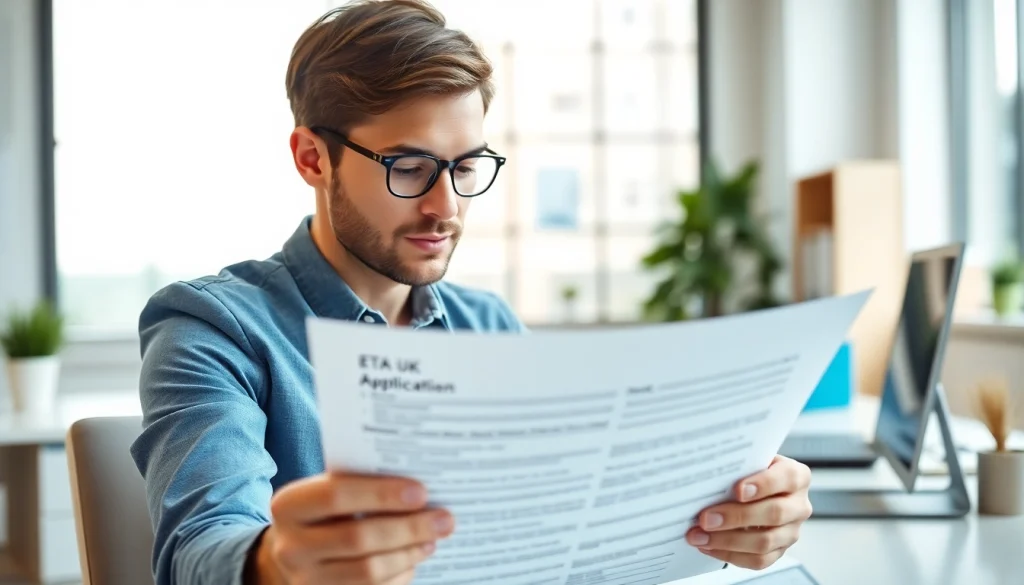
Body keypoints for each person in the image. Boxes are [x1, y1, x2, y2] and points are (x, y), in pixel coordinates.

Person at [128, 1, 813, 584]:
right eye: (410, 167)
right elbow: (199, 547)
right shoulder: (210, 326)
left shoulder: (490, 325)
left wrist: (733, 514)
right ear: (313, 157)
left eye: (465, 167)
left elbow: (566, 530)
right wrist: (276, 561)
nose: (446, 207)